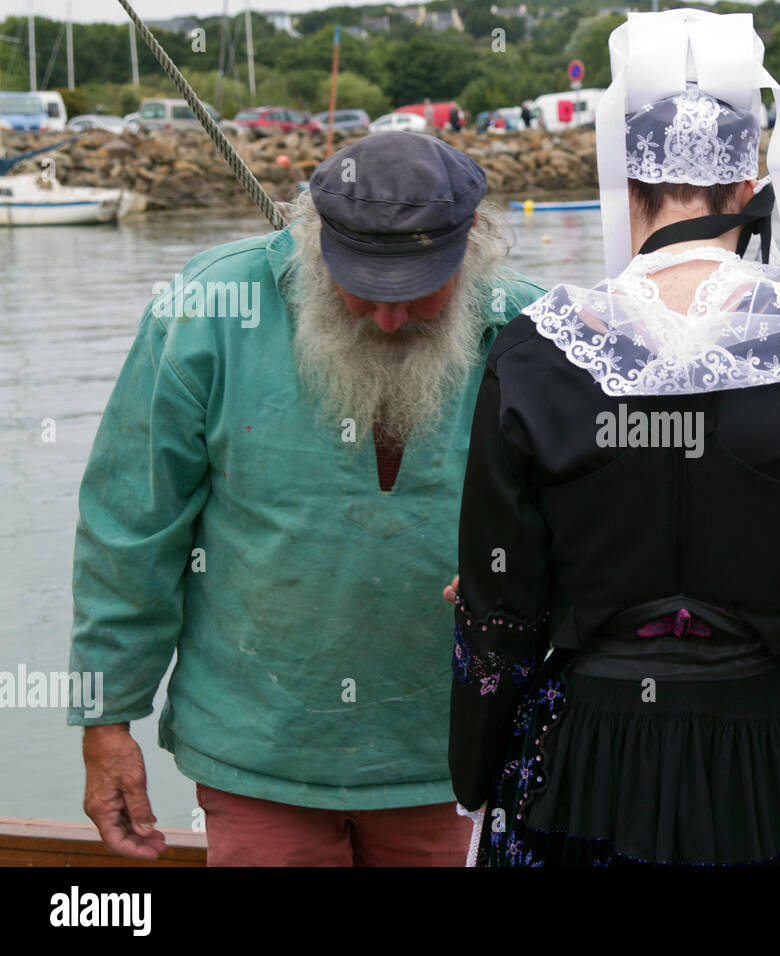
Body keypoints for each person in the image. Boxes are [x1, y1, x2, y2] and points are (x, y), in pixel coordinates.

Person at [447, 9, 780, 867]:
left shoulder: (536, 349)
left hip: (586, 768)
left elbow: (499, 619)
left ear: (626, 181)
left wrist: (476, 769)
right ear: (752, 186)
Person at [67, 133, 545, 866]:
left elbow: (596, 535)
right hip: (259, 753)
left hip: (458, 759)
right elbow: (129, 528)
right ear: (311, 241)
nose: (389, 317)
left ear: (473, 247)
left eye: (420, 288)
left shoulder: (536, 333)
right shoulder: (208, 312)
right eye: (364, 286)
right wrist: (106, 723)